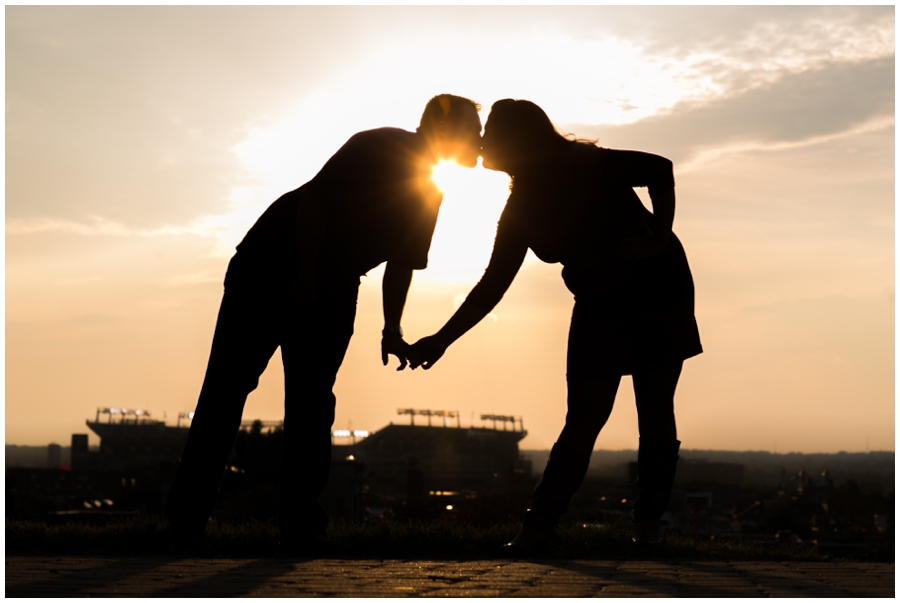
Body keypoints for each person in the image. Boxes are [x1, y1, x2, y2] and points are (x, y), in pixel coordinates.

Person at [165, 94, 483, 547]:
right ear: (446, 130)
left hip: (333, 282)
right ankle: (186, 520)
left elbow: (401, 264)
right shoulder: (380, 146)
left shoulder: (430, 191)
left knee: (312, 401)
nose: (481, 139)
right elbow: (314, 203)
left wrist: (391, 330)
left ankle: (299, 526)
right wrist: (305, 279)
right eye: (475, 129)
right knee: (227, 387)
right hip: (274, 263)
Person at [407, 99, 702, 550]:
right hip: (598, 300)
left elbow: (660, 170)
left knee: (655, 409)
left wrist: (659, 238)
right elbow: (492, 286)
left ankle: (647, 528)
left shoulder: (588, 164)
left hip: (655, 289)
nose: (482, 141)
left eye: (491, 132)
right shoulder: (519, 210)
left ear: (519, 141)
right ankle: (539, 527)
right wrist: (442, 339)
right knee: (583, 418)